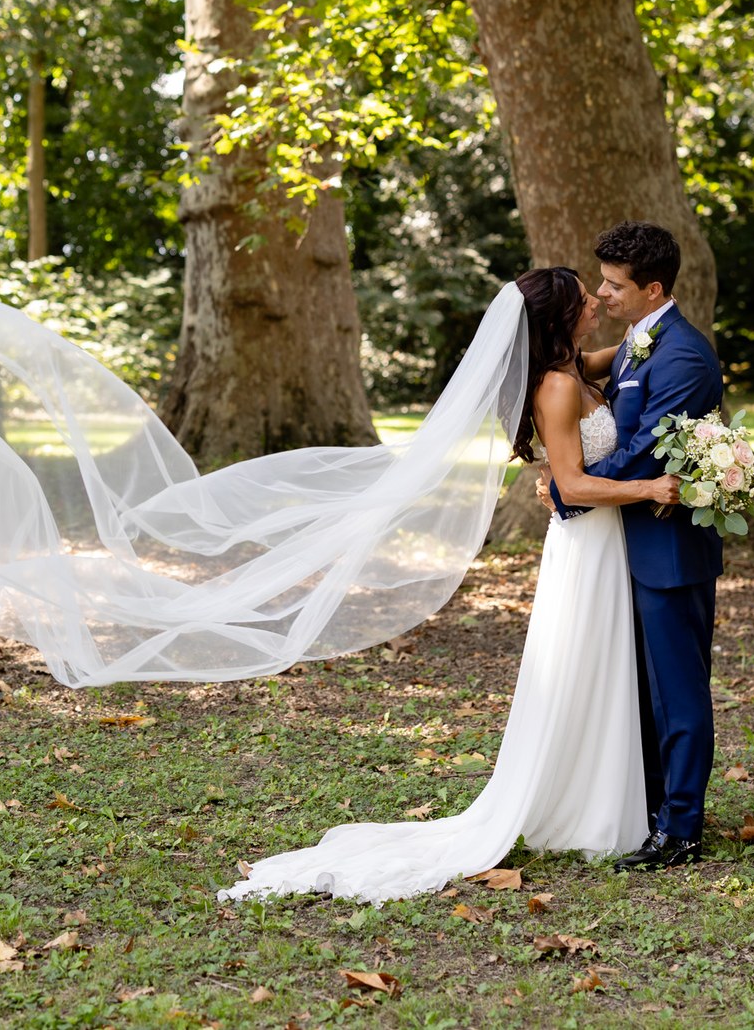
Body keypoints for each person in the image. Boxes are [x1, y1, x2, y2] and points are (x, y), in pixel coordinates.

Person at [217, 267, 677, 904]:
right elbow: (571, 484)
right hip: (588, 538)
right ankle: (584, 807)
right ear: (559, 317)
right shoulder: (557, 386)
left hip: (601, 542)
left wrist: (661, 334)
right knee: (586, 665)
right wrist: (649, 487)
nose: (596, 305)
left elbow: (628, 354)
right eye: (583, 298)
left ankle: (600, 795)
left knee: (596, 668)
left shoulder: (574, 368)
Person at [538, 221, 725, 871]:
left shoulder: (683, 358)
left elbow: (642, 449)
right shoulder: (636, 345)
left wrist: (569, 489)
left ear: (653, 289)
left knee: (677, 693)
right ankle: (648, 807)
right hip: (625, 546)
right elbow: (574, 383)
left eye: (614, 286)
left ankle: (680, 829)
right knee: (640, 693)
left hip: (668, 551)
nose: (602, 293)